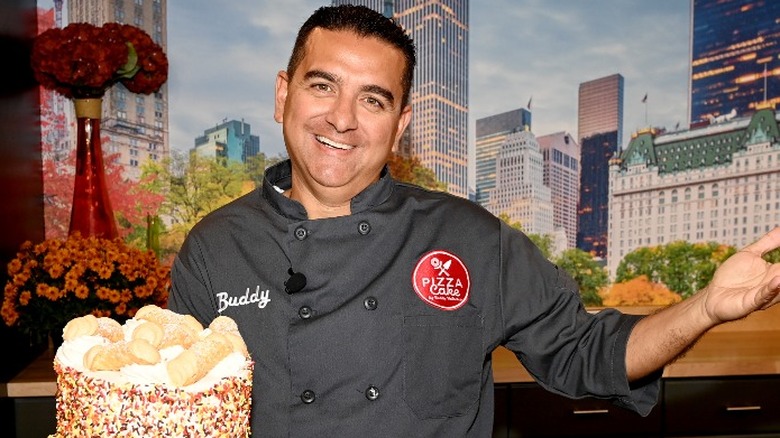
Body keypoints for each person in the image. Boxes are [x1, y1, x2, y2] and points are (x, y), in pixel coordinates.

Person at [169, 5, 780, 437]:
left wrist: (705, 306)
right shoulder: (216, 247)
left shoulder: (467, 237)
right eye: (323, 85)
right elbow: (174, 409)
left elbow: (587, 352)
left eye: (373, 99)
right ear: (283, 95)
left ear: (400, 124)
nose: (343, 118)